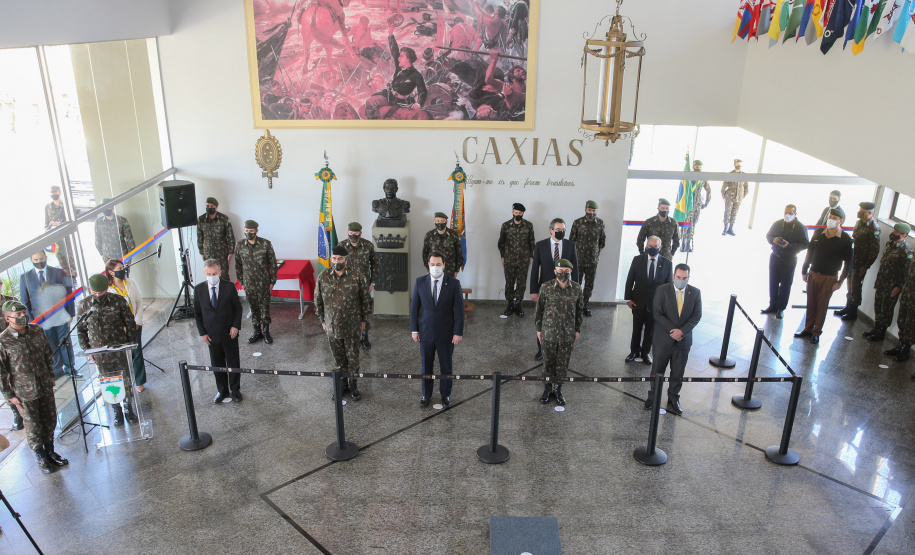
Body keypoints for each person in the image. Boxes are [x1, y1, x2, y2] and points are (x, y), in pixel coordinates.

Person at [0, 300, 68, 474]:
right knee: (33, 425)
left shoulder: (36, 330)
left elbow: (47, 353)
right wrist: (10, 396)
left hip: (44, 385)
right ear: (8, 318)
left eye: (24, 313)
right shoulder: (4, 341)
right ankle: (41, 457)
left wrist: (51, 375)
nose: (23, 317)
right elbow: (2, 371)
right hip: (24, 392)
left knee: (49, 419)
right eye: (18, 315)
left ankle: (51, 451)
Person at [77, 274, 136, 426]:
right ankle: (117, 412)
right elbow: (81, 330)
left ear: (107, 289)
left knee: (126, 381)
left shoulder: (118, 301)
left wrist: (131, 345)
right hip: (100, 354)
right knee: (109, 383)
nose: (98, 296)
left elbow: (129, 323)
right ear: (90, 289)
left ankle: (129, 409)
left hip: (120, 349)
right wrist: (87, 350)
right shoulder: (84, 305)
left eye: (101, 292)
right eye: (95, 293)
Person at [314, 246, 370, 402]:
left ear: (346, 260)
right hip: (332, 326)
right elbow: (318, 300)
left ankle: (353, 386)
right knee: (338, 359)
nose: (336, 261)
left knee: (352, 358)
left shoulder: (356, 276)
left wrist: (364, 320)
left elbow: (365, 300)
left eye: (340, 259)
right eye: (334, 258)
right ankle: (342, 385)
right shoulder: (323, 276)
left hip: (352, 326)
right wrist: (322, 321)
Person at [645, 263, 702, 416]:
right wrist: (673, 331)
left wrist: (682, 331)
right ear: (673, 276)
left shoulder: (695, 293)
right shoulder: (662, 290)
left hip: (683, 341)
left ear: (689, 277)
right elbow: (657, 313)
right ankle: (653, 397)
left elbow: (696, 316)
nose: (681, 280)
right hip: (663, 338)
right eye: (678, 277)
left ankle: (673, 399)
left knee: (678, 371)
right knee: (657, 369)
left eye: (685, 278)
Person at [410, 251, 465, 407]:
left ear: (444, 265)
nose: (435, 267)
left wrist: (458, 332)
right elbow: (414, 308)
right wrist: (414, 330)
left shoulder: (454, 284)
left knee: (446, 366)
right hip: (425, 333)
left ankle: (445, 395)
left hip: (446, 334)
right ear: (428, 265)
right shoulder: (420, 282)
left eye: (438, 265)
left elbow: (460, 311)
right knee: (426, 366)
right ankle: (426, 395)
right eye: (432, 264)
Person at [795, 209, 854, 344]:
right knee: (811, 303)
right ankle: (807, 328)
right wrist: (804, 270)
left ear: (841, 221)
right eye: (830, 217)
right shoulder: (818, 234)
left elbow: (848, 263)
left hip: (829, 277)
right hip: (813, 273)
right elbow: (809, 253)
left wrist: (840, 281)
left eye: (835, 218)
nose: (831, 219)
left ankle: (816, 332)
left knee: (822, 305)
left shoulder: (845, 240)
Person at [20, 251, 78, 379]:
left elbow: (69, 293)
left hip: (60, 315)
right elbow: (25, 301)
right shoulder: (25, 277)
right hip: (41, 319)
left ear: (46, 258)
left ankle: (70, 367)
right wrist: (31, 320)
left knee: (65, 341)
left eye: (41, 258)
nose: (39, 261)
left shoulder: (58, 272)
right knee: (50, 344)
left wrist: (71, 313)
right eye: (36, 259)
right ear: (31, 260)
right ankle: (56, 369)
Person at [535, 259, 583, 406]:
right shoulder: (546, 287)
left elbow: (579, 311)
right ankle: (547, 389)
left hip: (567, 334)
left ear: (571, 272)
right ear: (555, 271)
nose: (563, 273)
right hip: (548, 332)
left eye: (566, 271)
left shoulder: (576, 289)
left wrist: (577, 330)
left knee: (563, 364)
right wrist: (538, 329)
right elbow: (539, 310)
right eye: (560, 271)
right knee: (548, 363)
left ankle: (559, 389)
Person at [194, 259, 243, 403]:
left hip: (229, 332)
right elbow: (197, 314)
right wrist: (202, 332)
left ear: (220, 273)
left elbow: (237, 308)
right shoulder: (198, 289)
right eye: (208, 273)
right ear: (204, 273)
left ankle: (235, 390)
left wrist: (235, 326)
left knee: (233, 362)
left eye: (214, 273)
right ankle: (222, 390)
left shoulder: (229, 287)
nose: (211, 275)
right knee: (217, 364)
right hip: (211, 335)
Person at [530, 218, 579, 361]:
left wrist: (576, 289)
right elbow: (535, 270)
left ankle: (561, 348)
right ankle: (541, 349)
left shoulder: (571, 245)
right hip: (545, 290)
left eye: (563, 230)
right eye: (558, 230)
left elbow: (575, 268)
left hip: (566, 289)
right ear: (551, 230)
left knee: (564, 319)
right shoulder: (540, 246)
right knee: (543, 319)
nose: (561, 232)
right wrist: (534, 290)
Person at [623, 235, 673, 365]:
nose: (652, 248)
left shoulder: (667, 264)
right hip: (638, 302)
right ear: (646, 246)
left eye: (655, 246)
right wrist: (628, 298)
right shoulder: (637, 260)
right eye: (650, 246)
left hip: (656, 305)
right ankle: (634, 351)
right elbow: (630, 280)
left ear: (660, 247)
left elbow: (669, 287)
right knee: (636, 329)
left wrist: (665, 305)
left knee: (650, 331)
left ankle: (645, 353)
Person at [863, 223, 913, 342]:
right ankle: (876, 328)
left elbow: (907, 274)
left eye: (896, 232)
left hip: (892, 286)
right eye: (893, 230)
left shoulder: (906, 251)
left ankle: (881, 332)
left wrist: (899, 287)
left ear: (904, 235)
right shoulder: (889, 244)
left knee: (886, 309)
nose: (893, 233)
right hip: (882, 282)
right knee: (878, 306)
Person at [365, 32, 428, 119]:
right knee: (370, 102)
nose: (398, 58)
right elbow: (394, 51)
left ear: (408, 59)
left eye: (401, 56)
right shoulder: (399, 68)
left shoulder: (416, 75)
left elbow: (423, 91)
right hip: (389, 95)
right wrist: (391, 33)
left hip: (401, 102)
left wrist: (419, 103)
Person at [105, 259, 147, 393]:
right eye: (119, 269)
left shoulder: (130, 283)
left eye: (123, 267)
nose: (122, 270)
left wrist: (137, 321)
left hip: (135, 323)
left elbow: (139, 302)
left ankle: (139, 381)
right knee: (122, 355)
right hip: (120, 327)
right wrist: (121, 326)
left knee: (137, 352)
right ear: (111, 272)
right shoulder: (109, 289)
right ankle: (125, 383)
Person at [835, 202, 881, 321]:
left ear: (869, 212)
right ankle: (847, 307)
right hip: (852, 260)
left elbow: (874, 250)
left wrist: (866, 266)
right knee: (849, 285)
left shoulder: (874, 228)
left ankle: (853, 311)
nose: (859, 212)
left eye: (862, 211)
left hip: (861, 263)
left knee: (855, 287)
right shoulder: (859, 222)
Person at [762, 205, 809, 319]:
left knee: (786, 284)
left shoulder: (800, 227)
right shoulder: (777, 223)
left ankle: (780, 308)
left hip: (789, 259)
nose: (787, 215)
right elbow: (768, 236)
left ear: (795, 214)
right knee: (773, 282)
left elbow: (805, 244)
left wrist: (790, 246)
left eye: (790, 213)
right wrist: (774, 240)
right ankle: (772, 305)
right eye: (786, 212)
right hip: (775, 256)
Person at [235, 220, 277, 345]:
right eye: (247, 231)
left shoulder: (265, 244)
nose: (249, 233)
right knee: (253, 307)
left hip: (263, 282)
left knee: (264, 307)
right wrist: (241, 282)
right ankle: (256, 332)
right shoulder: (240, 245)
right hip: (248, 283)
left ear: (256, 231)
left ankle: (266, 332)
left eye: (251, 231)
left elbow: (273, 264)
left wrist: (272, 281)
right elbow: (238, 265)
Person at [339, 222, 378, 350]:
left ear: (360, 233)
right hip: (347, 284)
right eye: (351, 234)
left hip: (364, 284)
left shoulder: (368, 245)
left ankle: (364, 336)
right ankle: (349, 336)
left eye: (356, 234)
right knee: (347, 310)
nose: (353, 236)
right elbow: (337, 266)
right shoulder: (342, 246)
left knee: (364, 310)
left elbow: (375, 264)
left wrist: (372, 282)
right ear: (347, 232)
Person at [497, 202, 535, 318]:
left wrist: (531, 256)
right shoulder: (506, 225)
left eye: (520, 213)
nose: (517, 214)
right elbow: (501, 243)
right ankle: (510, 304)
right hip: (509, 259)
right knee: (509, 283)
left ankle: (518, 304)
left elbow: (532, 242)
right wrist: (503, 256)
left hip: (524, 260)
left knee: (521, 283)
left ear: (523, 213)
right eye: (516, 212)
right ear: (512, 212)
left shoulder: (528, 226)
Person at [569, 200, 606, 316]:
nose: (592, 212)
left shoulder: (600, 223)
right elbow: (571, 241)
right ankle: (576, 305)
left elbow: (602, 241)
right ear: (585, 209)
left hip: (592, 260)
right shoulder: (577, 223)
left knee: (589, 284)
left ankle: (585, 304)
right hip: (578, 259)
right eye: (590, 210)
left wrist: (597, 253)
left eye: (594, 210)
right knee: (576, 283)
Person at [197, 196, 236, 282]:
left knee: (224, 276)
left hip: (222, 254)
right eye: (207, 206)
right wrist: (201, 252)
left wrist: (230, 253)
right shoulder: (201, 219)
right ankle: (213, 295)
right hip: (208, 253)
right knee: (210, 276)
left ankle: (226, 295)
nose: (209, 208)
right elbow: (200, 236)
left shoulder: (224, 219)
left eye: (211, 206)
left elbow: (230, 237)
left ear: (216, 207)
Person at [0, 293, 24, 431]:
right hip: (1, 349)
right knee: (3, 381)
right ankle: (16, 412)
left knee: (19, 378)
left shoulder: (11, 301)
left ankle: (23, 409)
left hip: (16, 347)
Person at [887, 245, 915, 362]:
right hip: (908, 292)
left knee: (910, 324)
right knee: (902, 320)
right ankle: (900, 345)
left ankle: (905, 350)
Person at [44, 185, 76, 277]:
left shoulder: (67, 206)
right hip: (57, 240)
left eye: (55, 193)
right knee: (61, 260)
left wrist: (58, 224)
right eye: (52, 194)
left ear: (60, 193)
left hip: (68, 238)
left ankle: (74, 278)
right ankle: (68, 280)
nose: (54, 195)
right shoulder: (48, 207)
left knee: (71, 259)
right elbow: (46, 224)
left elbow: (72, 221)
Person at [680, 159, 711, 253]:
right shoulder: (689, 176)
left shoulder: (703, 178)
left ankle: (688, 244)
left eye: (700, 167)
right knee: (685, 225)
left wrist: (706, 203)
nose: (699, 168)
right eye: (697, 167)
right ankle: (683, 244)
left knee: (693, 225)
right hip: (688, 205)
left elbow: (708, 190)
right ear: (693, 167)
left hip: (697, 205)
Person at [94, 199, 136, 265]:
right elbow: (98, 240)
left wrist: (129, 257)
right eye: (103, 207)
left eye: (107, 206)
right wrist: (102, 254)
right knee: (111, 275)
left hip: (122, 257)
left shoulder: (121, 220)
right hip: (107, 258)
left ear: (112, 207)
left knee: (123, 275)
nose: (105, 209)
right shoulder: (98, 222)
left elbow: (130, 240)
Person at [422, 212, 463, 278]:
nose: (440, 223)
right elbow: (425, 253)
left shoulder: (454, 235)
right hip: (434, 269)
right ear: (435, 221)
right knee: (435, 287)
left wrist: (456, 270)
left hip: (449, 269)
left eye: (442, 221)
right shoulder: (429, 235)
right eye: (437, 221)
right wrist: (428, 268)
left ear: (446, 221)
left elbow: (459, 253)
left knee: (449, 288)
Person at [721, 159, 748, 236]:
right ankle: (725, 228)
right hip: (729, 197)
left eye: (740, 164)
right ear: (734, 164)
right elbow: (723, 187)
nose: (739, 165)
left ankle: (730, 228)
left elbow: (746, 187)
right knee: (727, 213)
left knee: (734, 213)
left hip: (738, 198)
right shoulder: (730, 174)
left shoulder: (744, 175)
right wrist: (724, 196)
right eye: (737, 164)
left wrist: (742, 196)